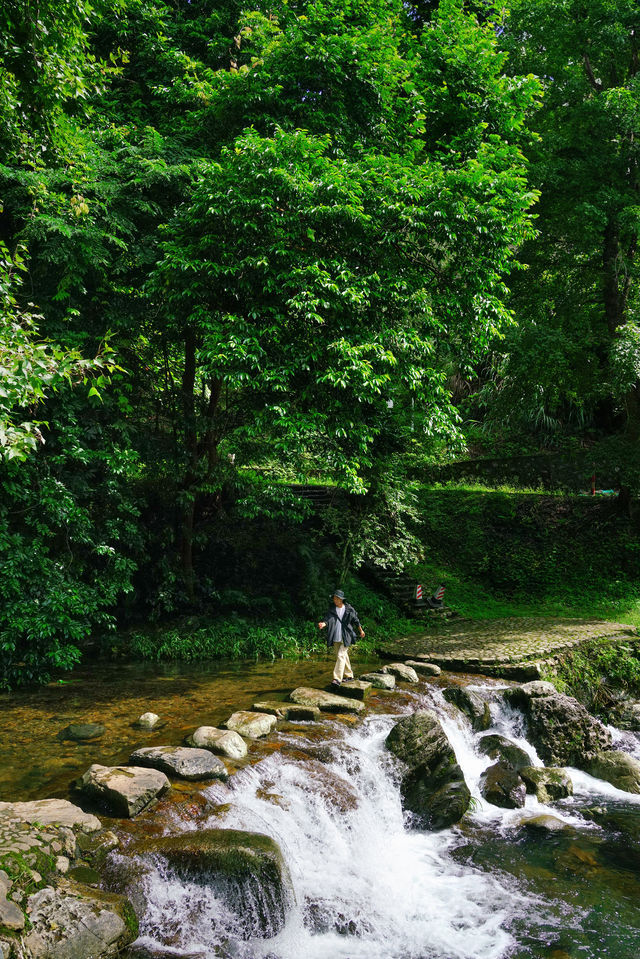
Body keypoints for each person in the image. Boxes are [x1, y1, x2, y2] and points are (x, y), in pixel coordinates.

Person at [318, 589, 365, 686]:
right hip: (336, 636)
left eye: (336, 599)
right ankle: (349, 676)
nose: (334, 600)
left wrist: (361, 630)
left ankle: (337, 679)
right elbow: (328, 620)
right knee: (342, 656)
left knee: (341, 655)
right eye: (334, 598)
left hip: (346, 635)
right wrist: (323, 624)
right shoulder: (332, 609)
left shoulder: (349, 609)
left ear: (341, 599)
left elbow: (356, 621)